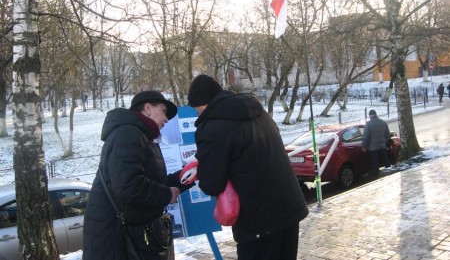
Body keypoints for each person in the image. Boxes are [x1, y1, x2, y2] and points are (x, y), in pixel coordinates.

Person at [187, 74, 309, 260]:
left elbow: (212, 184)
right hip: (289, 211)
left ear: (204, 104)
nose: (198, 115)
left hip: (259, 222)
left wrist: (201, 169)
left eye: (197, 110)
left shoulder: (212, 126)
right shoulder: (258, 112)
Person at [83, 91, 192, 260]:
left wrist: (190, 174)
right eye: (163, 111)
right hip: (116, 240)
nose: (167, 119)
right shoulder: (127, 133)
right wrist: (165, 194)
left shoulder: (142, 136)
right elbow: (129, 186)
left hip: (129, 237)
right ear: (147, 108)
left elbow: (157, 183)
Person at [362, 109, 390, 179]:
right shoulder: (383, 122)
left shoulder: (368, 124)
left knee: (375, 162)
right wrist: (384, 141)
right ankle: (389, 171)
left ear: (370, 115)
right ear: (376, 114)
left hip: (372, 147)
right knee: (385, 160)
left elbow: (365, 136)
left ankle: (376, 176)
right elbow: (387, 134)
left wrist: (364, 146)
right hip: (382, 146)